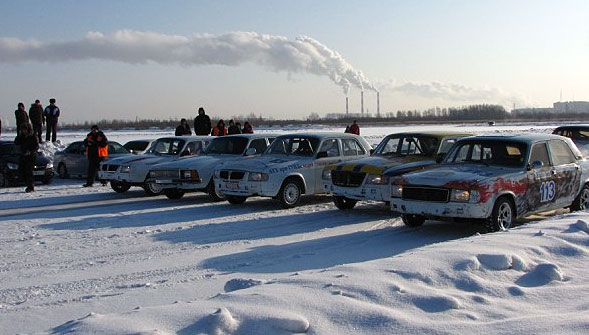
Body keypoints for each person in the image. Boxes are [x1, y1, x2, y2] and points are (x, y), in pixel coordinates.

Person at [14, 123, 39, 192]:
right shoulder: (22, 136)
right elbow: (16, 142)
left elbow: (36, 146)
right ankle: (27, 183)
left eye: (24, 130)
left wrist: (30, 151)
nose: (23, 131)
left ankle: (30, 186)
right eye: (22, 130)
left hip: (31, 155)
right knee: (21, 170)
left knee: (29, 171)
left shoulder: (33, 136)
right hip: (23, 155)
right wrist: (19, 135)